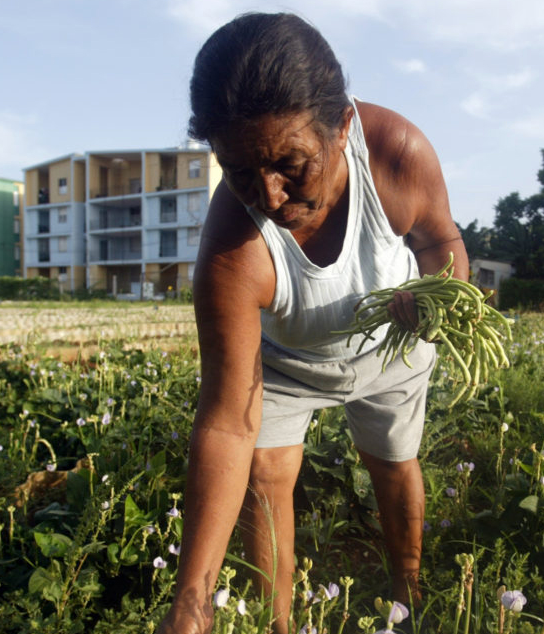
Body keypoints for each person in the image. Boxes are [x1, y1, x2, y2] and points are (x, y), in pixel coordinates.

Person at [158, 12, 468, 634]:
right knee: (267, 475)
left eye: (290, 163)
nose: (269, 195)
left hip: (391, 341)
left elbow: (442, 242)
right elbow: (226, 421)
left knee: (392, 461)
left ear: (343, 124)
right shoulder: (232, 250)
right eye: (240, 171)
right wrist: (191, 604)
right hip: (287, 363)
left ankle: (408, 596)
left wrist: (439, 301)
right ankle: (279, 625)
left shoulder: (397, 158)